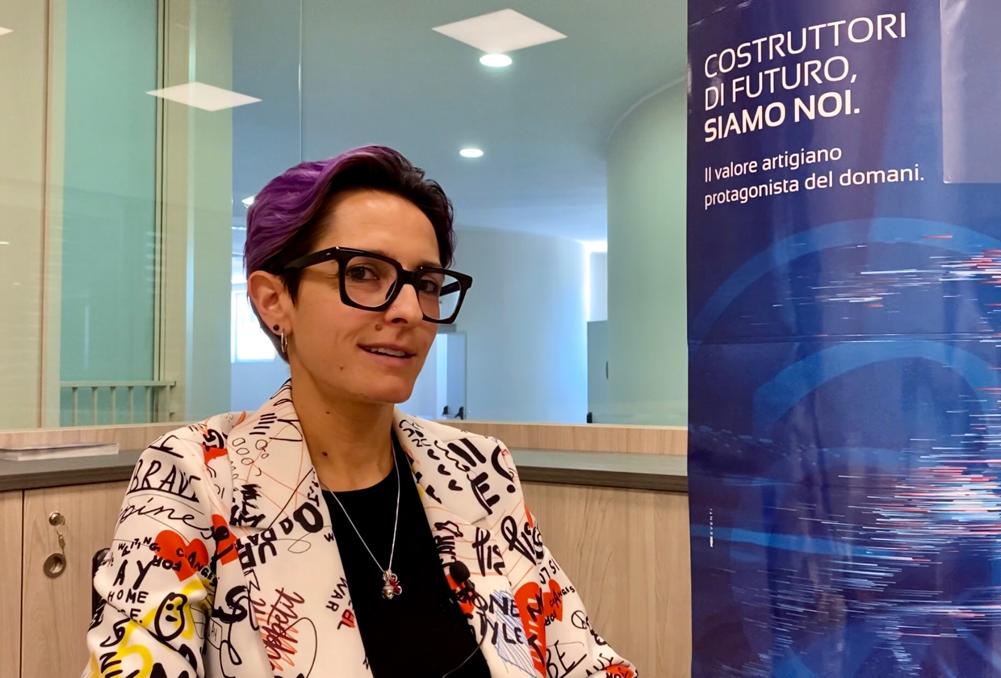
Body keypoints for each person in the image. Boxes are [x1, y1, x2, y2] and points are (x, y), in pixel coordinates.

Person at [84, 146, 637, 678]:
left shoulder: (477, 470)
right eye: (364, 273)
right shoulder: (194, 478)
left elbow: (581, 656)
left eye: (425, 283)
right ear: (274, 300)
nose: (409, 311)